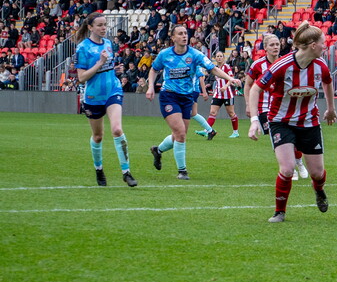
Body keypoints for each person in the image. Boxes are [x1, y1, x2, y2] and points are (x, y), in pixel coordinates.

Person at [247, 22, 337, 223]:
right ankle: (280, 211)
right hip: (281, 121)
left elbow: (328, 83)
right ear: (313, 45)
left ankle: (319, 190)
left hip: (309, 122)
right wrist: (254, 120)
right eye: (323, 43)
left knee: (317, 173)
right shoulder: (281, 66)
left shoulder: (320, 65)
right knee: (287, 169)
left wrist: (331, 109)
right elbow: (255, 89)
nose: (326, 46)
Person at [147, 25, 241, 180]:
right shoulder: (164, 54)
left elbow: (212, 69)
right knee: (180, 133)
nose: (184, 36)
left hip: (187, 97)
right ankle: (182, 171)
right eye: (180, 34)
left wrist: (230, 78)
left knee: (179, 134)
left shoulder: (195, 54)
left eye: (185, 33)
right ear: (173, 38)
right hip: (169, 96)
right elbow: (153, 70)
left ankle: (158, 150)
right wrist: (150, 87)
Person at [74, 13, 137, 188]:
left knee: (117, 129)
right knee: (98, 136)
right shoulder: (83, 48)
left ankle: (126, 172)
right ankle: (99, 168)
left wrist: (114, 68)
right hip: (93, 96)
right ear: (90, 27)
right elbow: (81, 78)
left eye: (105, 25)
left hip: (113, 90)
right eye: (100, 25)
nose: (104, 28)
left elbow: (107, 67)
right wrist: (99, 64)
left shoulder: (109, 44)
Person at [245, 34, 309, 181]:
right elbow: (248, 84)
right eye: (272, 45)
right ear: (265, 48)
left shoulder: (286, 62)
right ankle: (289, 167)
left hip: (285, 106)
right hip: (265, 108)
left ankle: (298, 161)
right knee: (278, 137)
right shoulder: (257, 65)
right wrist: (249, 104)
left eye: (277, 44)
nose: (275, 47)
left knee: (294, 136)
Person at [206, 51, 241, 138]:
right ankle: (207, 130)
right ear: (215, 58)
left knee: (231, 113)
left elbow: (231, 78)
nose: (219, 58)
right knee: (212, 112)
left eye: (221, 56)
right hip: (218, 94)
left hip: (227, 94)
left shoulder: (226, 67)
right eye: (217, 56)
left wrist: (225, 86)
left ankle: (236, 132)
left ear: (223, 58)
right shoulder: (215, 68)